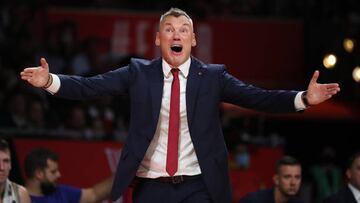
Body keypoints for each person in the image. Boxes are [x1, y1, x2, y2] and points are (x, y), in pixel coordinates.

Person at [20, 7, 340, 203]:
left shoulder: (213, 77)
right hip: (150, 187)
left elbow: (257, 97)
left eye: (184, 30)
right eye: (169, 30)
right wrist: (50, 82)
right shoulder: (138, 73)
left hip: (198, 186)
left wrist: (303, 99)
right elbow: (90, 87)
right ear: (158, 40)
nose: (177, 34)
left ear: (193, 40)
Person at [24, 147, 113, 203]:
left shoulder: (60, 192)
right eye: (53, 171)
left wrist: (123, 173)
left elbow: (94, 195)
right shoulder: (16, 199)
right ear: (39, 174)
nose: (59, 175)